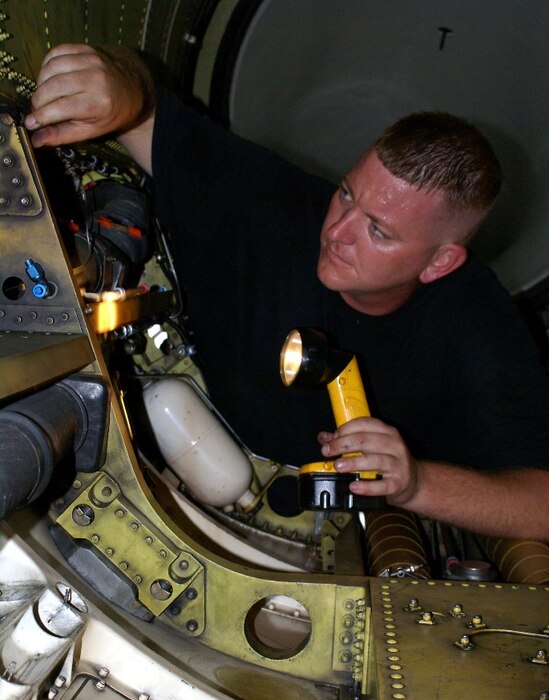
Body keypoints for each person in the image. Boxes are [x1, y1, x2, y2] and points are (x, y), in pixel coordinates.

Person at [25, 44, 549, 541]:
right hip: (189, 441)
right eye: (347, 194)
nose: (337, 231)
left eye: (379, 231)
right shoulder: (281, 208)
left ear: (440, 262)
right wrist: (117, 84)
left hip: (348, 531)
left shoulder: (479, 329)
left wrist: (415, 483)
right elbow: (144, 111)